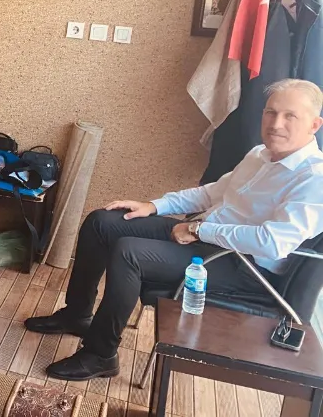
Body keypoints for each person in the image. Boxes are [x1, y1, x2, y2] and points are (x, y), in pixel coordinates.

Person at [25, 78, 323, 381]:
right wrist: (153, 206)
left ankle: (101, 354)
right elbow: (210, 194)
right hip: (207, 237)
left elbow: (273, 243)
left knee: (130, 253)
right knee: (102, 222)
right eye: (270, 112)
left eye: (290, 116)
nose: (276, 123)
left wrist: (197, 230)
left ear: (314, 125)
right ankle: (77, 314)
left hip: (243, 267)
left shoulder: (314, 179)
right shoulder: (260, 154)